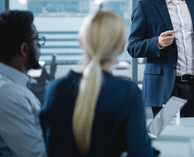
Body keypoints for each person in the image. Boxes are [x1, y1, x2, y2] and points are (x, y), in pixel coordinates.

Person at [40, 10, 155, 157]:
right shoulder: (128, 94)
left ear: (80, 42)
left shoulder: (54, 90)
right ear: (121, 48)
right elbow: (140, 153)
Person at [0, 10, 46, 157]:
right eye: (36, 39)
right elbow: (35, 154)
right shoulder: (9, 94)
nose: (40, 45)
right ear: (24, 48)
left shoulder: (14, 87)